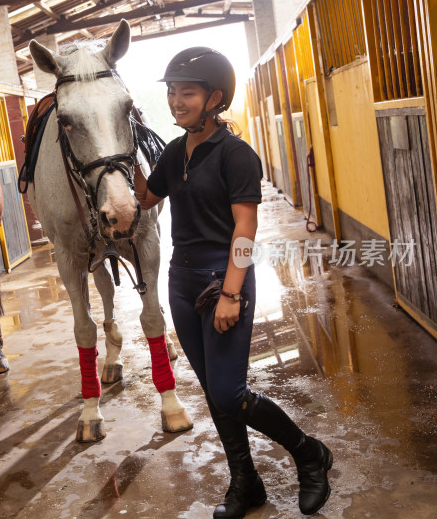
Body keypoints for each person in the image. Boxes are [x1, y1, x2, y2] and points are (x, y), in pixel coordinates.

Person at [134, 48, 332, 517]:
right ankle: (246, 482)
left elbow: (246, 231)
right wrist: (120, 154)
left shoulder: (235, 154)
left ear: (214, 97)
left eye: (188, 92)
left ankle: (308, 452)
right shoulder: (172, 151)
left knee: (229, 393)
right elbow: (145, 200)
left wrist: (230, 292)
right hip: (180, 279)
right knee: (214, 390)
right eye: (171, 92)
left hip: (221, 279)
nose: (176, 101)